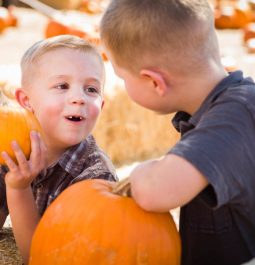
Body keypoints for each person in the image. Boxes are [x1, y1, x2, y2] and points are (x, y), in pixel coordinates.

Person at [100, 1, 255, 264]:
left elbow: (155, 192)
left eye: (122, 77)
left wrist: (141, 172)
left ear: (154, 82)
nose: (122, 86)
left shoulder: (235, 116)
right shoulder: (218, 109)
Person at [0, 34, 117, 264]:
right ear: (26, 101)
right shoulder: (10, 146)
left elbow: (40, 258)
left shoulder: (95, 180)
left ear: (101, 105)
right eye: (62, 86)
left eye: (91, 89)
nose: (79, 98)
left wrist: (18, 189)